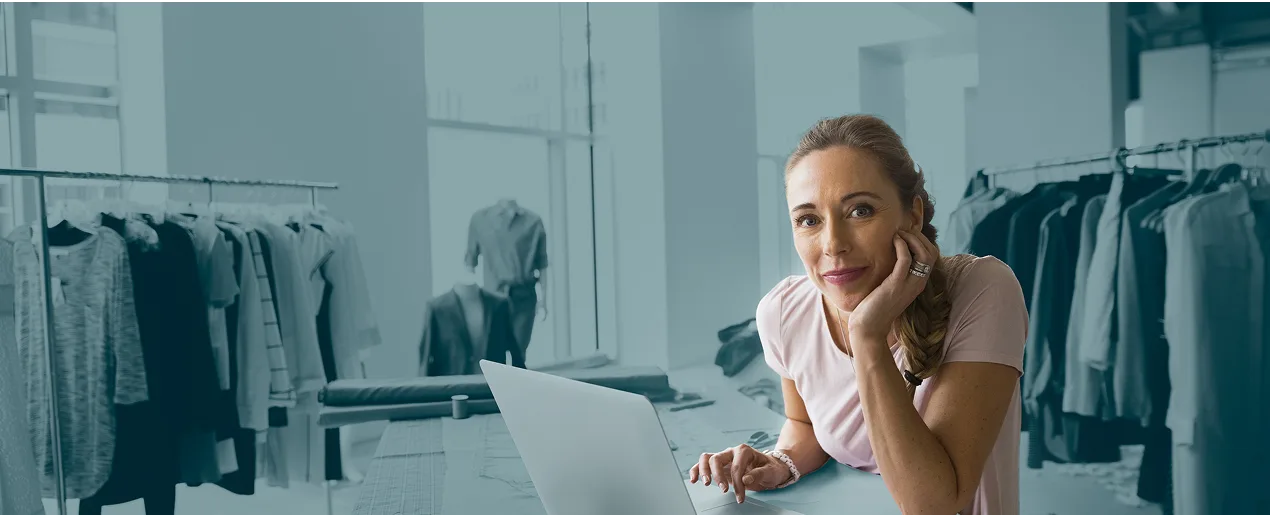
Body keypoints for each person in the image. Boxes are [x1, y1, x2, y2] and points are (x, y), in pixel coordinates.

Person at [688, 114, 1027, 515]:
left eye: (860, 210)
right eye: (809, 220)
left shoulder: (983, 288)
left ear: (912, 216)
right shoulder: (783, 311)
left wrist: (868, 336)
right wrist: (780, 462)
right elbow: (806, 424)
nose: (833, 244)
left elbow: (932, 502)